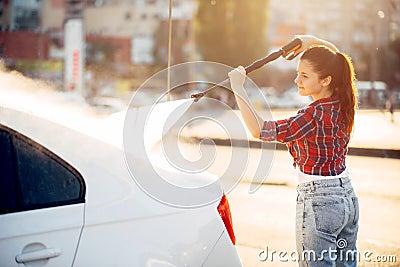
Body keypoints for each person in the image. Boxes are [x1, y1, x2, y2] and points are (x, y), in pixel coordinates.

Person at [228, 35, 359, 267]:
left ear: (327, 80)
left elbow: (260, 130)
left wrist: (238, 87)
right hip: (347, 199)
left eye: (305, 76)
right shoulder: (343, 103)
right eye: (298, 72)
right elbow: (338, 63)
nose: (297, 79)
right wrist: (315, 42)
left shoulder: (311, 116)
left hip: (320, 201)